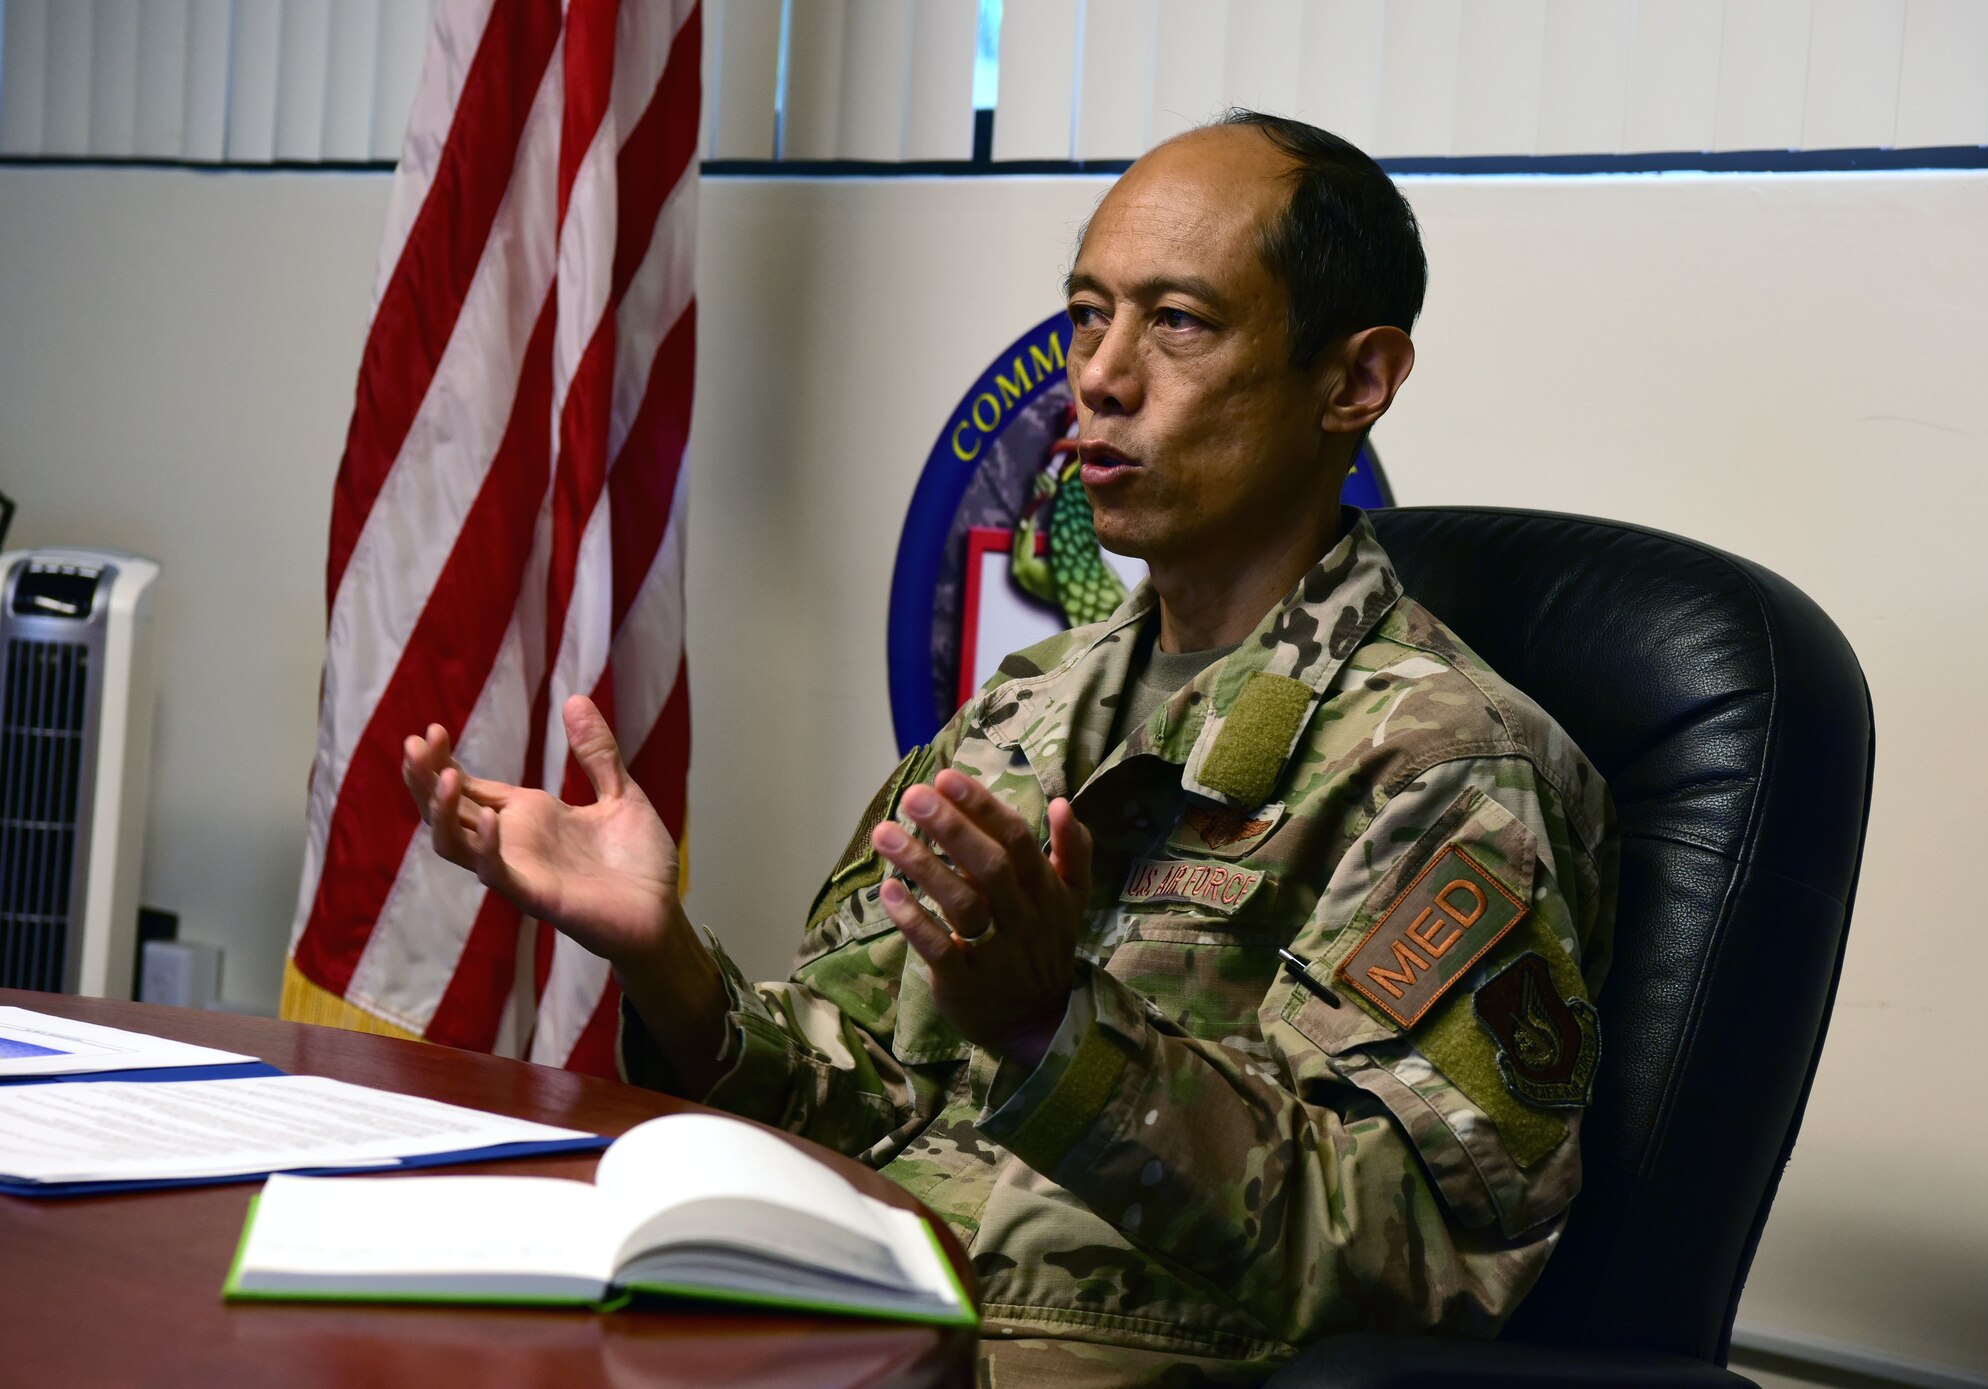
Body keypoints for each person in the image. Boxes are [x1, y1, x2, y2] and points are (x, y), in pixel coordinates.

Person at [404, 111, 1616, 1388]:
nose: (1098, 372)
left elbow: (1413, 1258)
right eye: (1089, 313)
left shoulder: (1441, 764)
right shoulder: (1027, 709)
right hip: (850, 1332)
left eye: (1180, 322)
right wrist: (662, 959)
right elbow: (863, 1092)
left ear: (1352, 382)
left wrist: (1054, 1034)